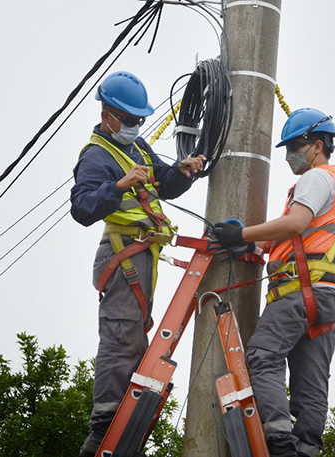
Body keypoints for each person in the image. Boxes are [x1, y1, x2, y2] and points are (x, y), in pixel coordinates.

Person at [71, 71, 206, 457]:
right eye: (129, 120)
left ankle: (123, 419)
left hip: (143, 255)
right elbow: (82, 208)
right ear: (107, 114)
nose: (135, 126)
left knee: (134, 335)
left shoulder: (138, 147)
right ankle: (104, 428)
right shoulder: (96, 155)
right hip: (122, 254)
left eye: (139, 120)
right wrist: (118, 185)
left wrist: (183, 172)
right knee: (121, 334)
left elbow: (162, 181)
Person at [212, 108, 335, 457]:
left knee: (262, 357)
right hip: (326, 296)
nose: (290, 156)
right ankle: (306, 449)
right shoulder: (333, 184)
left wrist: (240, 233)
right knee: (311, 380)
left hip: (300, 291)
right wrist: (250, 242)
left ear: (317, 146)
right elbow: (292, 236)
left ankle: (280, 443)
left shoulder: (316, 178)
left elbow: (294, 224)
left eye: (295, 147)